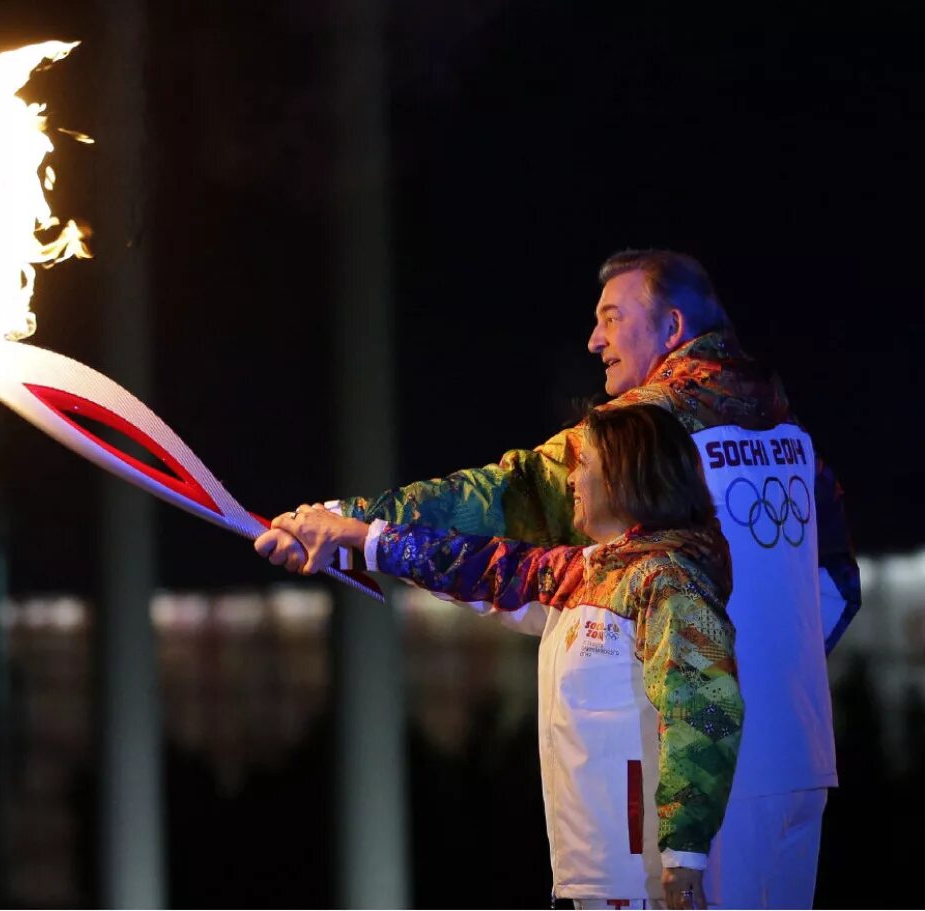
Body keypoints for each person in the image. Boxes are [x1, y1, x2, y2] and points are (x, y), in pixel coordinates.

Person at [259, 249, 859, 909]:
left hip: (708, 778)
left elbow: (505, 495)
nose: (594, 339)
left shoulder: (649, 428)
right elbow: (837, 583)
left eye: (611, 318)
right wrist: (769, 675)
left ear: (672, 327)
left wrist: (344, 518)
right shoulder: (784, 425)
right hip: (799, 760)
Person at [260, 404, 744, 909]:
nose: (571, 480)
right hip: (583, 881)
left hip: (644, 886)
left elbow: (706, 712)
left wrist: (684, 861)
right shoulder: (582, 572)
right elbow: (473, 566)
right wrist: (353, 537)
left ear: (626, 474)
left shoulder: (668, 583)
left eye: (585, 464)